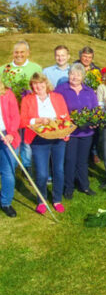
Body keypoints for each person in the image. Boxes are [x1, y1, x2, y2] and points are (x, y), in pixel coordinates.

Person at [19, 73, 68, 213]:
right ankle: (41, 200)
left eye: (40, 83)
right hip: (38, 140)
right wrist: (38, 120)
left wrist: (65, 132)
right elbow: (22, 121)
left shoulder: (57, 97)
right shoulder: (28, 100)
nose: (38, 86)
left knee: (58, 170)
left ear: (46, 83)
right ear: (31, 86)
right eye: (34, 84)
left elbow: (65, 116)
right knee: (41, 173)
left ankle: (57, 199)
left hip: (57, 138)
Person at [55, 64, 99, 198]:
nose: (75, 77)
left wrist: (94, 121)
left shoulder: (89, 91)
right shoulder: (61, 89)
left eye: (78, 75)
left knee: (83, 160)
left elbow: (95, 109)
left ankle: (84, 186)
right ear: (69, 75)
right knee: (70, 159)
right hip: (70, 132)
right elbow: (56, 108)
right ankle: (69, 187)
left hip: (86, 132)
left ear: (83, 77)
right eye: (72, 74)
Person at [2, 40, 42, 169]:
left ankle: (26, 166)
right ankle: (11, 165)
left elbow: (40, 87)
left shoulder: (36, 68)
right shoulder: (4, 69)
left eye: (22, 52)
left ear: (28, 53)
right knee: (12, 138)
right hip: (9, 113)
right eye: (16, 52)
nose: (19, 55)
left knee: (26, 141)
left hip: (28, 111)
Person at [0, 81, 21, 217]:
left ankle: (6, 202)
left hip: (7, 136)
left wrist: (11, 133)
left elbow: (15, 116)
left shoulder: (7, 94)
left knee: (8, 172)